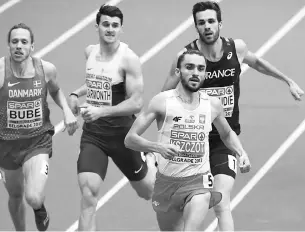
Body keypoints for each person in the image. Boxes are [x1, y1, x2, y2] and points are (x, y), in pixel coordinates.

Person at [161, 1, 304, 231]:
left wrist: (288, 80)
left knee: (221, 202)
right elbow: (163, 97)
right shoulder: (187, 58)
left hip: (224, 141)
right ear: (196, 26)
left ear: (220, 23)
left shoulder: (236, 48)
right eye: (201, 23)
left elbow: (258, 64)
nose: (207, 26)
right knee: (188, 208)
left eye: (211, 21)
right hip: (193, 142)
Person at [0, 23, 78, 231]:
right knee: (15, 195)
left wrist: (67, 110)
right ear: (9, 45)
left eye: (24, 42)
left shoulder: (46, 69)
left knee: (33, 196)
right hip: (7, 146)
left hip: (38, 141)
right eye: (14, 41)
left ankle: (39, 207)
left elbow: (56, 91)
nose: (19, 46)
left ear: (32, 46)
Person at [125, 49, 250, 231]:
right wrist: (157, 147)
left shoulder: (212, 104)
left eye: (200, 68)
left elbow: (227, 133)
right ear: (178, 72)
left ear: (205, 74)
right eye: (189, 67)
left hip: (198, 180)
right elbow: (130, 139)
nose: (195, 73)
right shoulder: (162, 102)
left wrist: (241, 153)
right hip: (166, 182)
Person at [68, 5, 157, 231]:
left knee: (147, 192)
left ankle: (150, 160)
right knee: (88, 193)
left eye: (115, 26)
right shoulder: (90, 52)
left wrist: (101, 111)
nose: (110, 29)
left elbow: (136, 103)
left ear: (121, 29)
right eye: (106, 24)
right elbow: (98, 81)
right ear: (96, 26)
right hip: (93, 136)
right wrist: (75, 94)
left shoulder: (129, 59)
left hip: (122, 136)